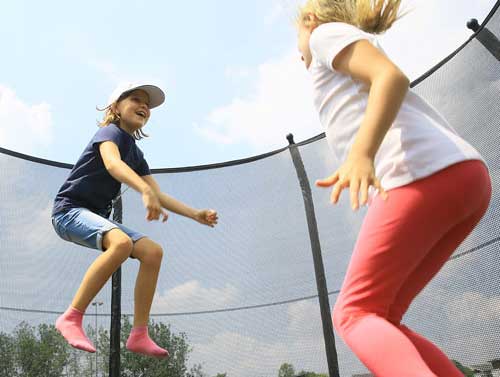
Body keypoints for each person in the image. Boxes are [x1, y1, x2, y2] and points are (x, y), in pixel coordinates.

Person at [296, 1, 491, 376]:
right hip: (463, 178)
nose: (298, 56)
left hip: (420, 174)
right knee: (383, 317)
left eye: (296, 46)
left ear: (310, 19)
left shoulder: (322, 34)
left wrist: (362, 154)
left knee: (354, 312)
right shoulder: (337, 49)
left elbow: (390, 77)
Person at [51, 82, 218, 358]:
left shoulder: (136, 154)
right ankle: (71, 317)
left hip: (93, 216)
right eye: (136, 99)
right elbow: (112, 165)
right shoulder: (109, 133)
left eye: (147, 104)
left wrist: (195, 214)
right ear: (115, 107)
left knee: (152, 251)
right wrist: (143, 191)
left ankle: (139, 334)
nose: (144, 106)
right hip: (68, 211)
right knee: (121, 243)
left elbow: (158, 195)